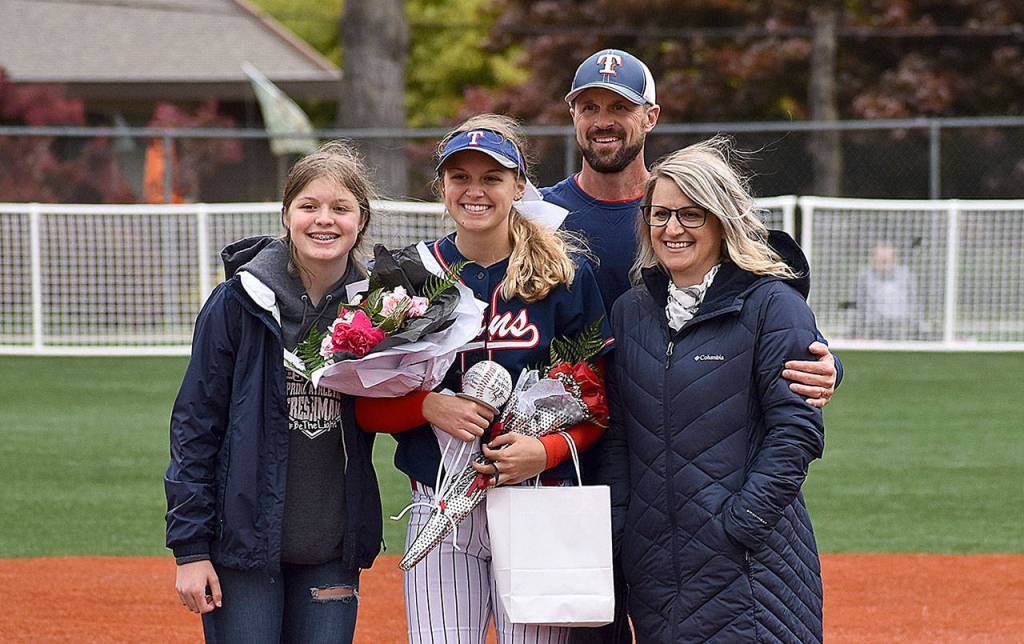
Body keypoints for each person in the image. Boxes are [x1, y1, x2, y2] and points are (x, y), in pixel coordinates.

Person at [543, 48, 839, 644]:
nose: (603, 119)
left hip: (706, 505)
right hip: (576, 482)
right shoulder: (541, 218)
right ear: (572, 116)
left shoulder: (690, 201)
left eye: (619, 107)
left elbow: (776, 322)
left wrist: (826, 364)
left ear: (650, 116)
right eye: (589, 107)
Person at [356, 114, 613, 644]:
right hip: (439, 501)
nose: (475, 191)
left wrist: (546, 452)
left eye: (492, 177)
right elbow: (363, 406)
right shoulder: (408, 275)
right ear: (442, 186)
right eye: (461, 177)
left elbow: (595, 404)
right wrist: (428, 406)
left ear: (519, 186)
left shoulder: (564, 274)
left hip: (537, 495)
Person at [601, 138, 826, 643]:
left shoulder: (773, 305)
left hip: (750, 567)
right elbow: (617, 437)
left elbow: (797, 433)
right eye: (660, 215)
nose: (672, 229)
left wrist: (741, 524)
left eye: (691, 215)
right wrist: (622, 528)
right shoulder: (631, 312)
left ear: (722, 220)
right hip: (656, 568)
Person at [164, 141, 384, 643]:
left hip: (330, 549)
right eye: (309, 206)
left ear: (361, 219)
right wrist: (191, 550)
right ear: (286, 215)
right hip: (241, 549)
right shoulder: (237, 302)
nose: (323, 220)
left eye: (340, 208)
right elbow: (195, 427)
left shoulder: (380, 309)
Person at [850, 241, 923, 340]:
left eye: (885, 261)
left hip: (901, 328)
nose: (882, 264)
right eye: (879, 260)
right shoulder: (865, 277)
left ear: (894, 259)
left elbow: (914, 304)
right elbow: (858, 304)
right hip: (872, 329)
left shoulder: (906, 276)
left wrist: (918, 330)